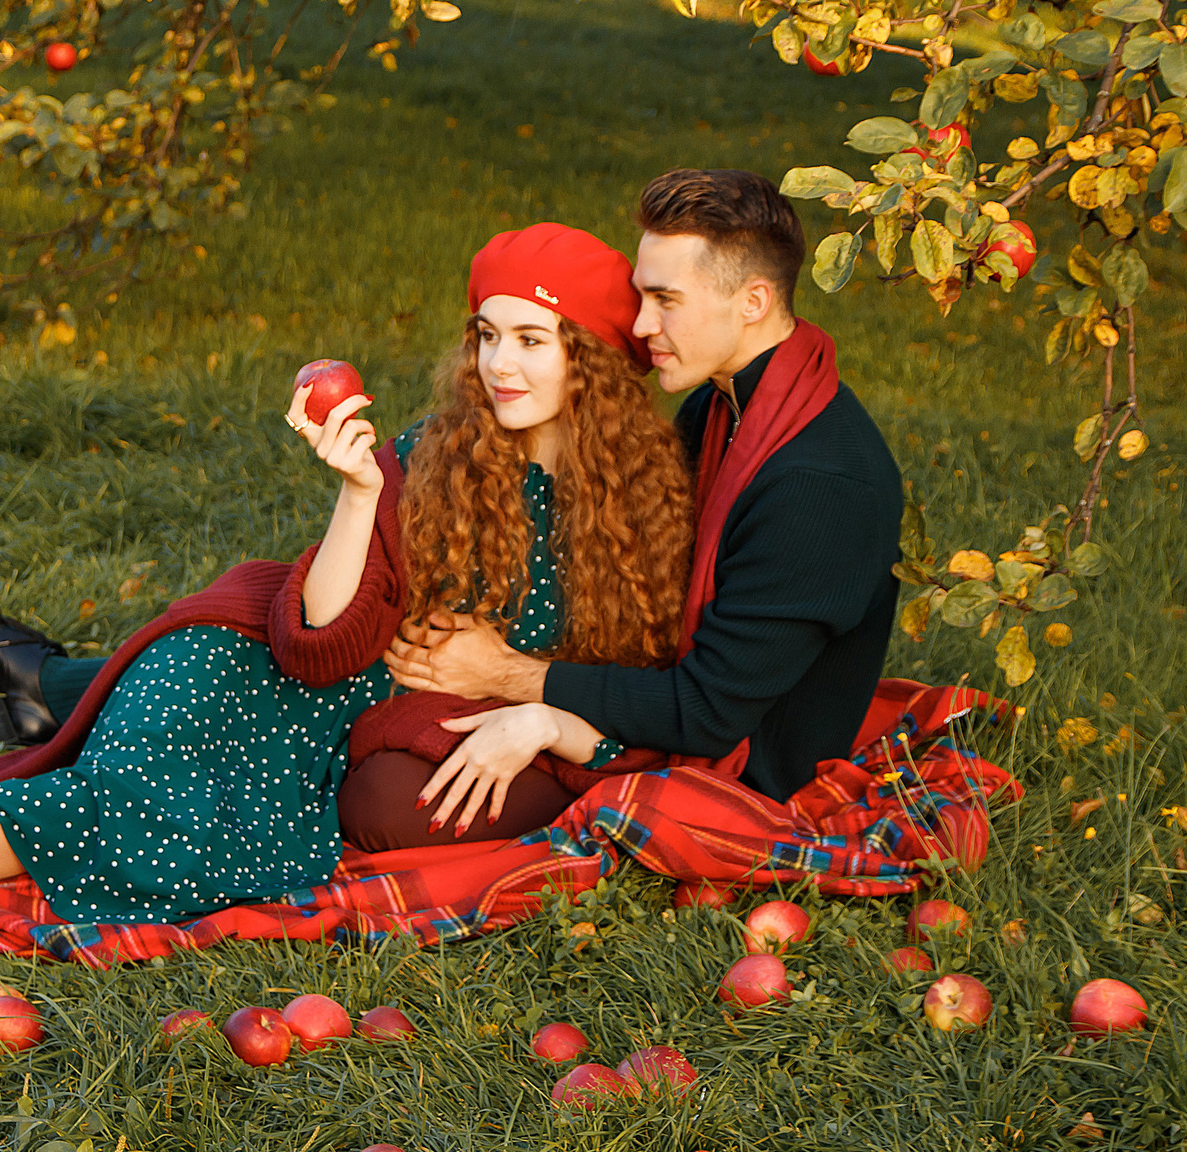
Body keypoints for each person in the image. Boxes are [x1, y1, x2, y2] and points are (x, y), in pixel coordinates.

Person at [0, 225, 694, 933]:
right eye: (484, 335)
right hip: (269, 683)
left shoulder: (639, 517)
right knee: (130, 795)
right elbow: (318, 645)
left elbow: (654, 703)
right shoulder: (432, 454)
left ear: (589, 361)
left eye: (530, 342)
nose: (496, 363)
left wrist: (532, 706)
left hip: (346, 757)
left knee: (132, 820)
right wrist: (356, 496)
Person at [381, 169, 906, 808]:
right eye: (640, 295)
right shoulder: (724, 405)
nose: (640, 323)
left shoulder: (819, 485)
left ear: (753, 302)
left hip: (742, 763)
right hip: (652, 696)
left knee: (394, 801)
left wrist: (510, 677)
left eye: (665, 300)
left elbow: (708, 712)